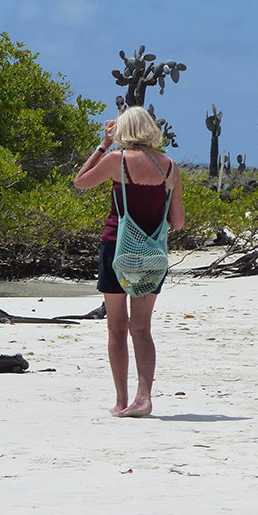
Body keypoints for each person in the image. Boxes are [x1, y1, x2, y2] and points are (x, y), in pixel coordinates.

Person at [73, 105, 185, 417]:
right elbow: (177, 222)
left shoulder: (117, 160)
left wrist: (103, 145)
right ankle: (144, 397)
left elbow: (80, 182)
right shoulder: (170, 167)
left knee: (116, 328)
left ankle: (121, 401)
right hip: (152, 256)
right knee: (142, 328)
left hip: (116, 250)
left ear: (123, 130)